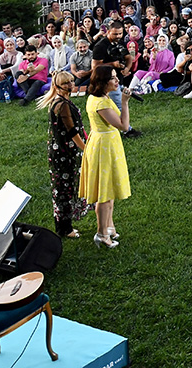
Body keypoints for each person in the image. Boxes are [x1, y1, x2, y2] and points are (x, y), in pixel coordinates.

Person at [78, 65, 131, 249]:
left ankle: (109, 226)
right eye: (113, 78)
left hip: (107, 143)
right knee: (105, 193)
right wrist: (124, 102)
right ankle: (101, 234)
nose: (117, 81)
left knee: (110, 190)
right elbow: (124, 126)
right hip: (104, 147)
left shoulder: (99, 97)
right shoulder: (100, 102)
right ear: (103, 82)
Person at [39, 72, 88, 238]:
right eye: (67, 83)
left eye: (72, 81)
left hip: (64, 150)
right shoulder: (61, 104)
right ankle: (65, 229)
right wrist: (86, 148)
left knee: (63, 189)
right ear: (58, 85)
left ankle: (63, 226)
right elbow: (72, 130)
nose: (71, 85)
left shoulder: (62, 101)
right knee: (64, 190)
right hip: (64, 153)